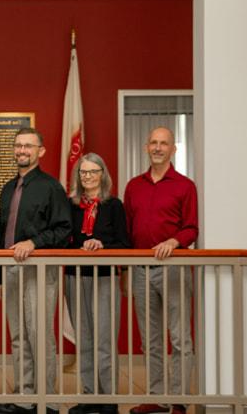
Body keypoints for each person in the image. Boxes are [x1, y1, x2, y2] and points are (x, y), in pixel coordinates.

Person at [0, 128, 71, 414]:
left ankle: (47, 400)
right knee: (19, 336)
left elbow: (64, 230)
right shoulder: (7, 188)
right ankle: (25, 396)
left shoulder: (51, 187)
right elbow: (2, 235)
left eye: (28, 145)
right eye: (18, 145)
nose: (22, 150)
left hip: (39, 269)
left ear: (41, 151)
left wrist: (34, 242)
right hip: (11, 271)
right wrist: (0, 278)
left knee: (39, 334)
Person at [124, 127, 198, 414]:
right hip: (141, 269)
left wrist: (174, 240)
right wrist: (126, 270)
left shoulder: (184, 186)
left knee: (180, 337)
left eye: (163, 143)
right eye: (153, 142)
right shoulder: (134, 186)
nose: (157, 147)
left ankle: (177, 399)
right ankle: (157, 397)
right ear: (146, 147)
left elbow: (192, 227)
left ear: (173, 149)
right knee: (150, 339)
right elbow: (129, 229)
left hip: (174, 267)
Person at [64, 153, 130, 414]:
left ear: (103, 174)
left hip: (104, 277)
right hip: (75, 276)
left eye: (93, 172)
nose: (87, 177)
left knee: (104, 340)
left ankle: (108, 398)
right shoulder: (70, 205)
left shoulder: (113, 205)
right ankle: (90, 395)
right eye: (83, 172)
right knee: (85, 339)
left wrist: (102, 245)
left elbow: (125, 244)